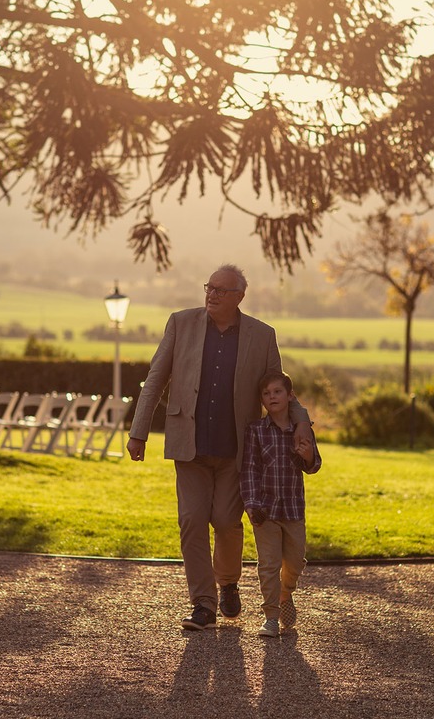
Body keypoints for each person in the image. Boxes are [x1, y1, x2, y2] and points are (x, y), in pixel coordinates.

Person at [126, 264, 313, 631]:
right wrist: (139, 431)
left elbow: (277, 387)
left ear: (239, 296)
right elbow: (155, 378)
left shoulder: (262, 335)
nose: (211, 294)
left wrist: (301, 419)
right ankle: (203, 604)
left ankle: (227, 581)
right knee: (192, 521)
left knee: (227, 522)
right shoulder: (181, 323)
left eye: (220, 290)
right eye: (208, 287)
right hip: (189, 446)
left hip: (237, 450)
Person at [242, 370, 320, 638]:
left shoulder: (302, 430)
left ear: (290, 396)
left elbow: (314, 466)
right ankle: (271, 617)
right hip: (265, 509)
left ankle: (286, 594)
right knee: (268, 564)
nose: (272, 397)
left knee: (296, 562)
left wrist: (308, 456)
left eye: (277, 392)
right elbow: (249, 470)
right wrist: (251, 504)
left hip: (294, 508)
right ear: (262, 400)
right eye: (266, 393)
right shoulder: (256, 431)